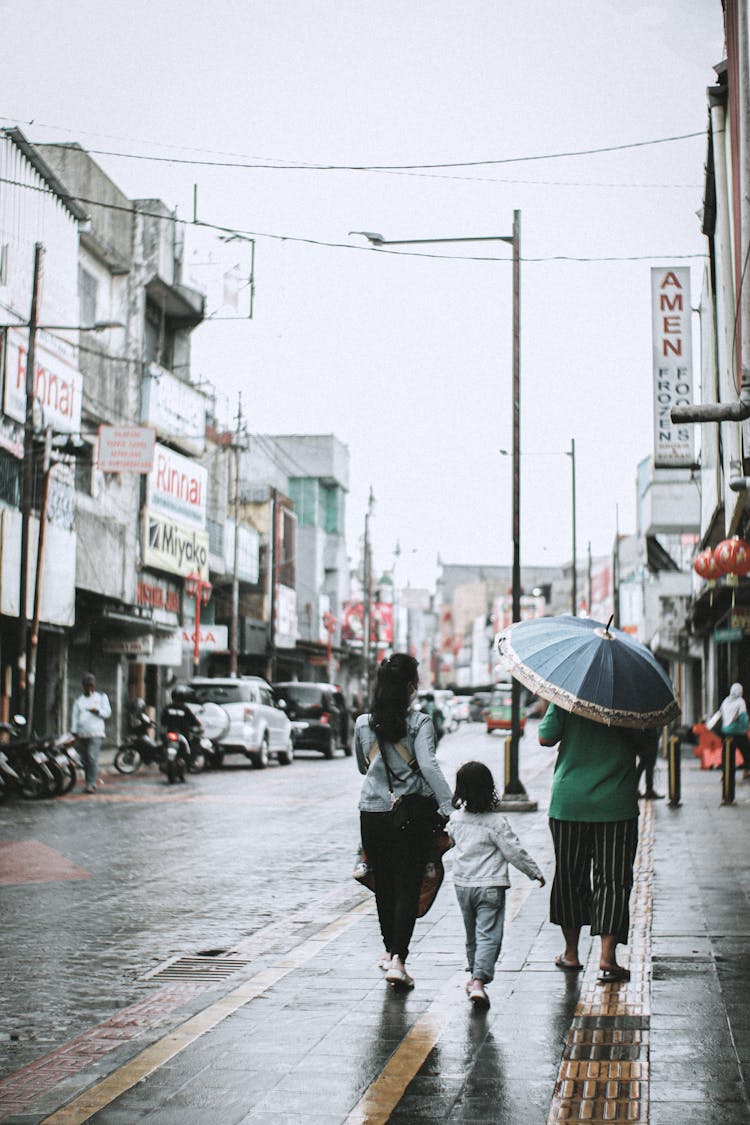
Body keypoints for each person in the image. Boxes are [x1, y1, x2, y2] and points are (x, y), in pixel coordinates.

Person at [355, 654, 453, 990]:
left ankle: (389, 951)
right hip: (408, 813)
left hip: (371, 811)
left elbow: (362, 767)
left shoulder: (362, 723)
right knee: (407, 886)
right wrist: (449, 807)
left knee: (383, 883)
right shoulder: (420, 723)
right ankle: (399, 958)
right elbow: (428, 766)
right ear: (411, 686)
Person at [538, 702, 641, 983]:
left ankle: (571, 953)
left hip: (570, 801)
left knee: (570, 876)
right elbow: (647, 745)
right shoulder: (634, 699)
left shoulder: (567, 695)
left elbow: (545, 737)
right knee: (614, 879)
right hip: (617, 803)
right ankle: (607, 957)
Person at [448, 761, 545, 1009]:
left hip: (463, 886)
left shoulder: (455, 819)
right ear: (489, 789)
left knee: (472, 935)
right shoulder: (496, 822)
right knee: (489, 934)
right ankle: (479, 981)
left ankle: (473, 977)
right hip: (491, 886)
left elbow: (446, 842)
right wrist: (534, 872)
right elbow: (514, 851)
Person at [71, 673, 111, 794]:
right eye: (87, 685)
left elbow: (107, 713)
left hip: (96, 733)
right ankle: (90, 780)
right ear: (83, 686)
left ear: (94, 686)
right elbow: (75, 717)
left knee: (92, 757)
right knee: (84, 759)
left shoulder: (101, 697)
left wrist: (97, 711)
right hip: (82, 733)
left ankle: (91, 784)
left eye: (91, 685)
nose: (89, 688)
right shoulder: (79, 700)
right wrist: (74, 732)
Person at [710, 683, 750, 779]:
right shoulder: (740, 701)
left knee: (727, 753)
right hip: (738, 732)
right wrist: (747, 727)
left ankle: (725, 773)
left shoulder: (726, 701)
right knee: (746, 751)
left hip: (725, 732)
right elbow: (743, 718)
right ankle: (746, 771)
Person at [636, 727, 663, 799]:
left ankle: (636, 789)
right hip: (649, 741)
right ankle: (648, 790)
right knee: (649, 766)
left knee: (643, 765)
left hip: (646, 740)